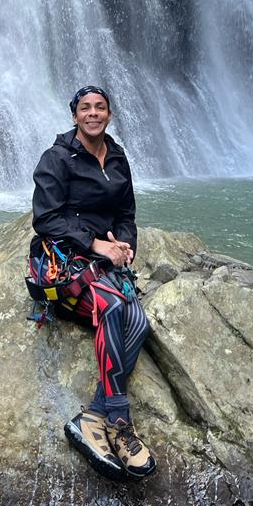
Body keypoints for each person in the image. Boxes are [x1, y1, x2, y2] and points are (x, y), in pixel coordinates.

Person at [29, 85, 156, 482]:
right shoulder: (57, 158)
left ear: (109, 115)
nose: (93, 113)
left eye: (100, 107)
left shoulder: (117, 158)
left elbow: (126, 212)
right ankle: (119, 421)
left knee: (139, 322)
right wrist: (96, 243)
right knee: (114, 307)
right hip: (65, 261)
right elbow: (46, 219)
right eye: (85, 108)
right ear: (74, 116)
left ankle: (93, 416)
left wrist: (124, 244)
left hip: (104, 259)